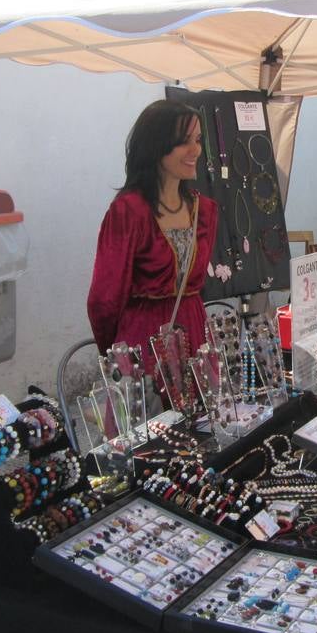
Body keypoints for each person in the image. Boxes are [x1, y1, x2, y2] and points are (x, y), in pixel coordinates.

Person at [87, 99, 218, 409]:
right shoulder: (128, 212)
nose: (195, 150)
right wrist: (116, 352)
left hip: (196, 332)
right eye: (183, 142)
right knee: (149, 437)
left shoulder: (206, 211)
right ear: (157, 146)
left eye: (197, 140)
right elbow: (104, 298)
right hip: (145, 339)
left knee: (205, 432)